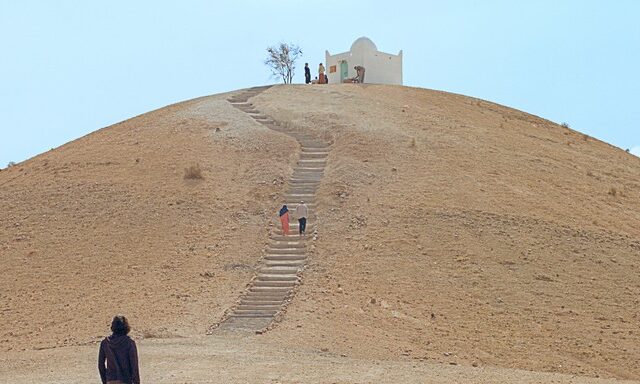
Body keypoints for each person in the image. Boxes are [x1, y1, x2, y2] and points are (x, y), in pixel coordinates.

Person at [98, 315, 140, 384]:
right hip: (125, 380)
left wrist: (105, 380)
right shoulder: (129, 343)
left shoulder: (105, 343)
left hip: (111, 380)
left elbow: (101, 365)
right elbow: (134, 366)